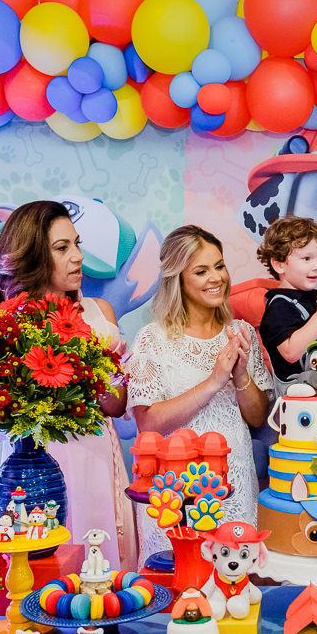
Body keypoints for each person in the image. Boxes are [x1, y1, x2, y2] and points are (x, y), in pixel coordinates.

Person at [0, 200, 138, 568]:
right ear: (34, 254)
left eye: (78, 244)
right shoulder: (5, 324)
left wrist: (100, 364)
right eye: (62, 248)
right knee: (40, 567)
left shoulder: (100, 313)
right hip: (32, 460)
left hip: (96, 456)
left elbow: (115, 407)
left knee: (101, 574)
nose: (77, 257)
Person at [128, 225, 273, 559]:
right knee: (178, 586)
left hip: (233, 486)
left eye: (219, 266)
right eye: (201, 271)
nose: (216, 278)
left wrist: (239, 376)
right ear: (178, 279)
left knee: (234, 587)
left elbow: (257, 416)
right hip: (173, 494)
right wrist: (212, 382)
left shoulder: (241, 331)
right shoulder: (153, 340)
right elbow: (148, 424)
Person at [255, 216, 317, 392]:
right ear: (279, 264)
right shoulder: (279, 306)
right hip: (296, 389)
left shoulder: (314, 298)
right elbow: (290, 353)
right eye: (307, 259)